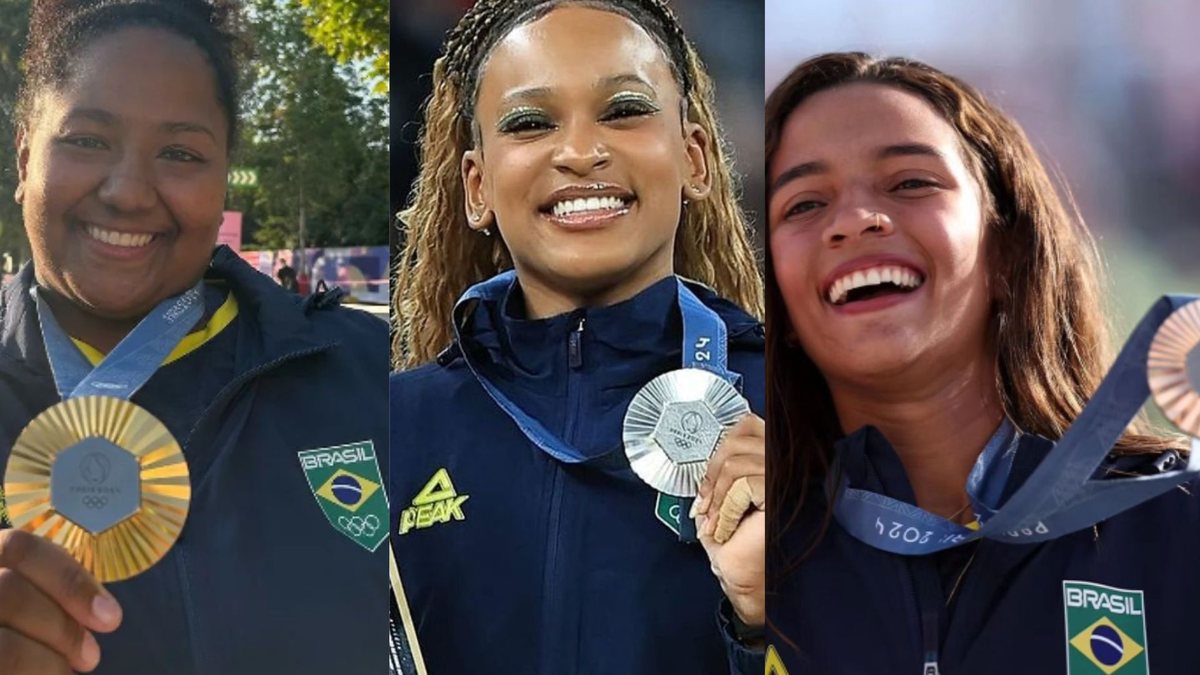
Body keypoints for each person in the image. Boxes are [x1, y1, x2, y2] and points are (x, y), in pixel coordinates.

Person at [764, 52, 1199, 674]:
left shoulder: (1177, 525)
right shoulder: (737, 565)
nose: (857, 220)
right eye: (803, 204)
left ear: (1008, 250)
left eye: (910, 182)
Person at [0, 1, 388, 673]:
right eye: (88, 139)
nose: (126, 192)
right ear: (25, 153)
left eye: (180, 153)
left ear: (222, 176)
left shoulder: (369, 374)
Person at [390, 1, 766, 673]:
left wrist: (765, 617)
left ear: (695, 157)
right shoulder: (389, 426)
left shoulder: (798, 411)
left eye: (624, 111)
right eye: (531, 123)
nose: (581, 152)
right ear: (477, 186)